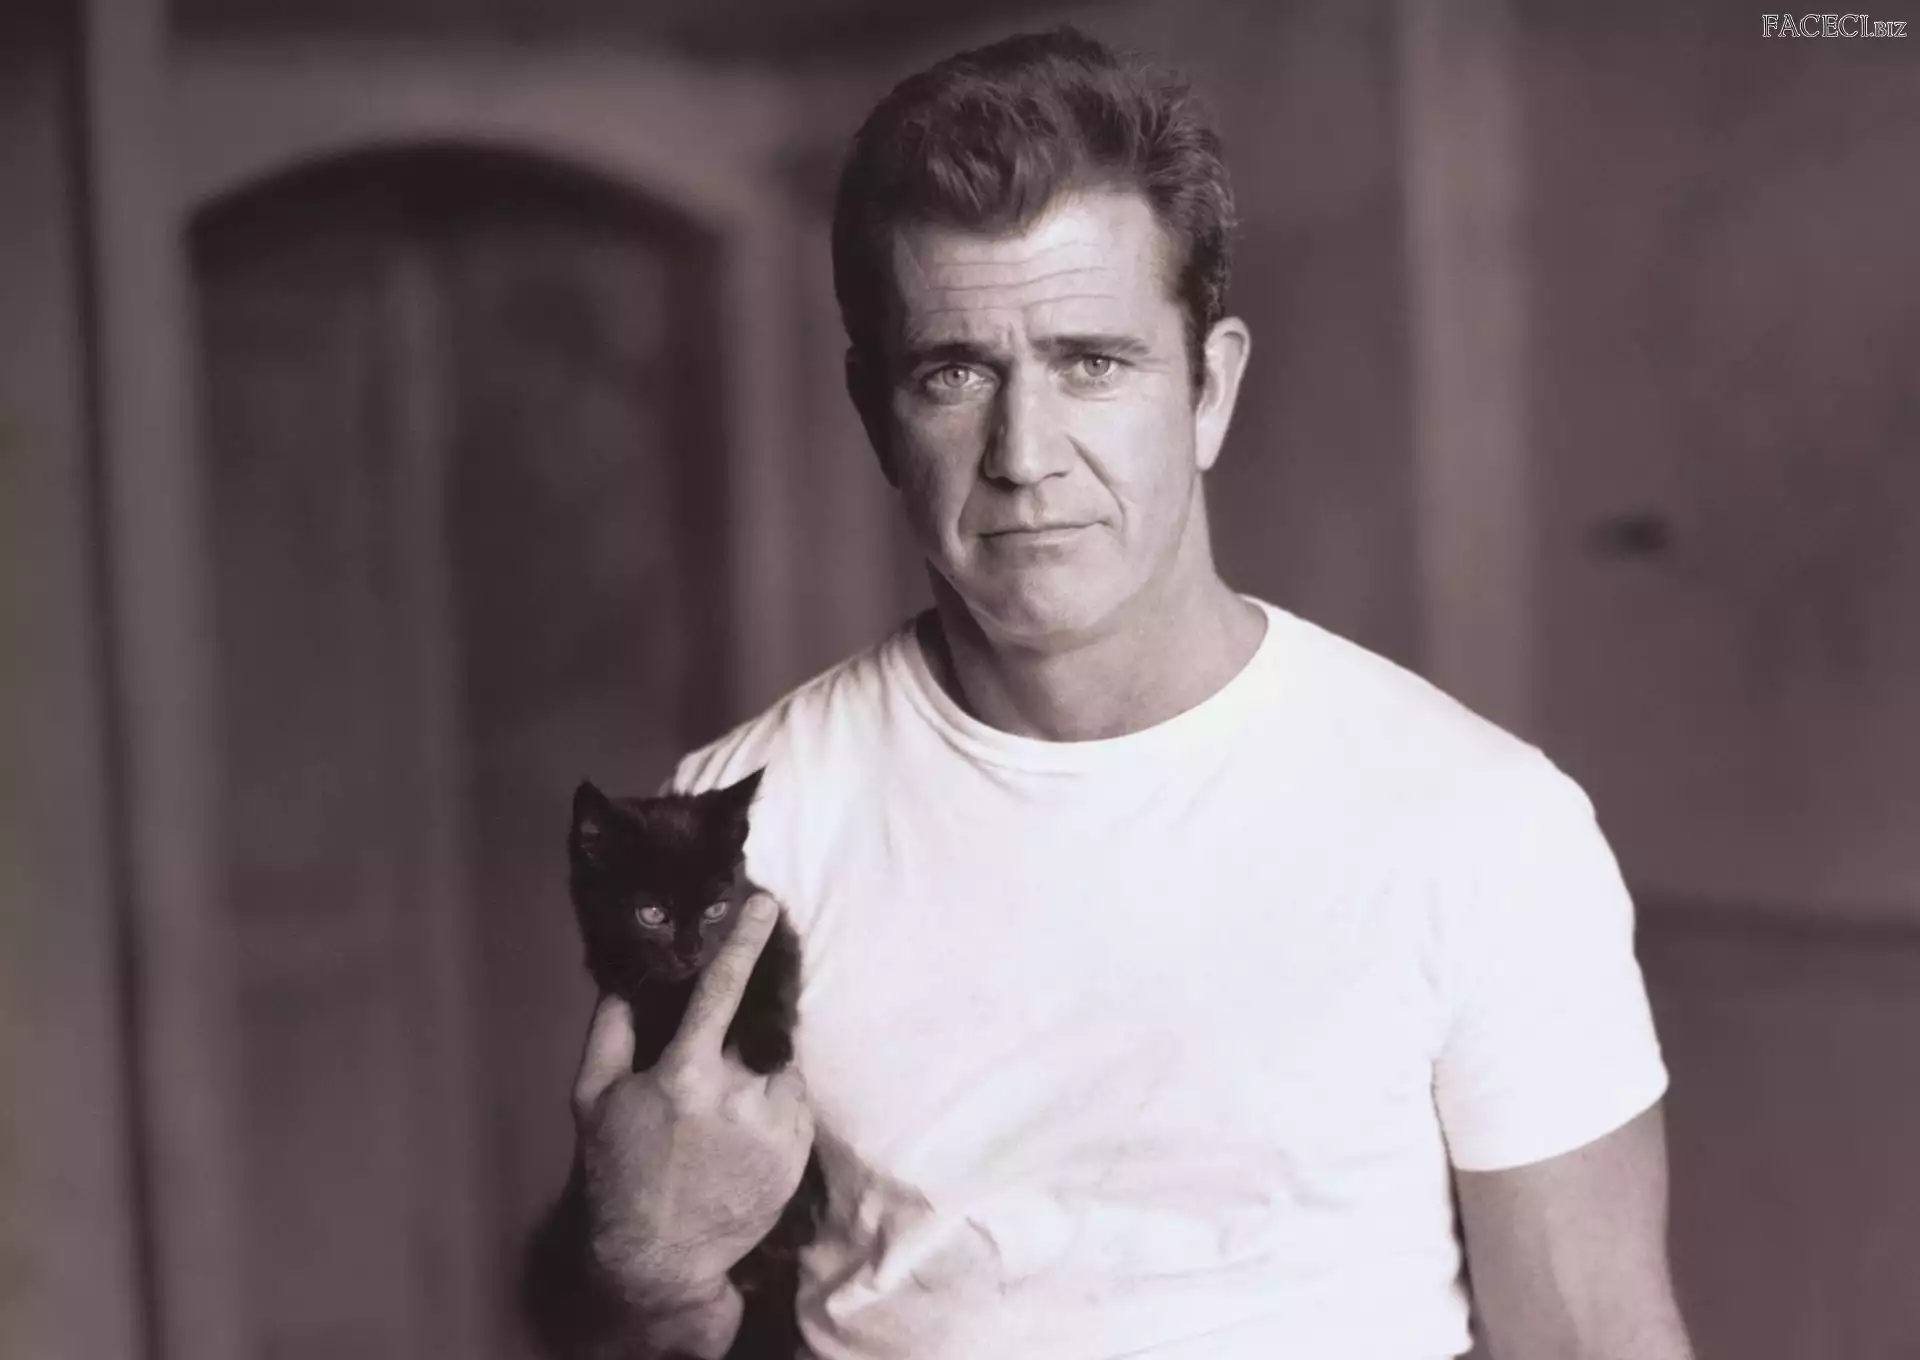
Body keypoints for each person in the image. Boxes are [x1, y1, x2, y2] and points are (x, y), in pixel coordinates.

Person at [561, 25, 1697, 1360]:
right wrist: (648, 1271)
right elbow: (654, 1317)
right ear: (876, 412)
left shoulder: (1482, 822)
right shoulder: (739, 830)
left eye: (1092, 363)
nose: (1024, 453)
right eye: (954, 374)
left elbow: (1594, 1338)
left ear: (1209, 389)